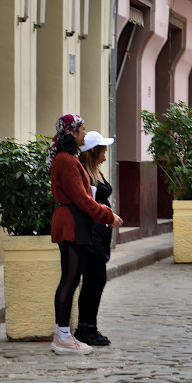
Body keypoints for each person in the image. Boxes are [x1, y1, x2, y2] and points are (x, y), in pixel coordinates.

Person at [48, 114, 123, 356]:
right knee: (69, 282)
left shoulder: (68, 159)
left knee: (72, 281)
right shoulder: (67, 161)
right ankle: (63, 336)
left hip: (74, 222)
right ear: (72, 133)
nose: (84, 133)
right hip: (71, 223)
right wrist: (107, 215)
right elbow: (81, 198)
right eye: (82, 129)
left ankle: (64, 335)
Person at [75, 130, 117, 347]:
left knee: (95, 280)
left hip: (101, 232)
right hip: (91, 233)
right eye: (102, 148)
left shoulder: (96, 171)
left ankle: (88, 326)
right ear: (93, 151)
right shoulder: (84, 174)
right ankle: (86, 328)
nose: (106, 152)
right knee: (94, 279)